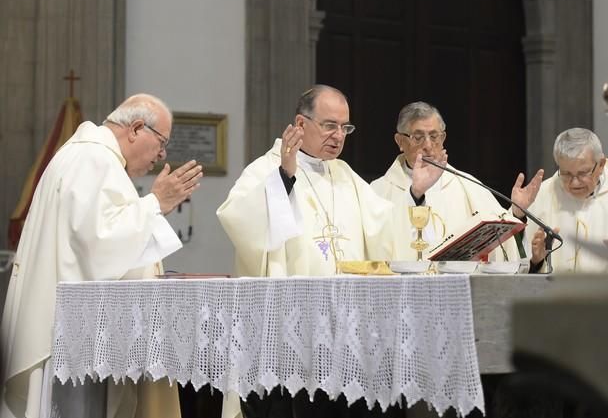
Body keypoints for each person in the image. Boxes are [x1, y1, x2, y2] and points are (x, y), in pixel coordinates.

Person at [217, 85, 442, 418]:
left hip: (349, 332)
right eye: (329, 125)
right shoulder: (267, 169)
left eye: (345, 127)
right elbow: (237, 219)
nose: (339, 136)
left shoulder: (345, 175)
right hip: (294, 334)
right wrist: (285, 177)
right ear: (300, 123)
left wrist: (414, 195)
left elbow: (386, 233)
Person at [0, 94, 203, 418]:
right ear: (136, 128)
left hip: (73, 335)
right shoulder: (94, 160)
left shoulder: (88, 157)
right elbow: (97, 245)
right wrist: (155, 203)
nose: (162, 154)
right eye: (162, 142)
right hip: (73, 344)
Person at [371, 101, 544, 263]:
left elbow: (500, 244)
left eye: (434, 136)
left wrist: (516, 214)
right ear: (400, 141)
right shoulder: (377, 192)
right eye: (418, 137)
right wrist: (415, 195)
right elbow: (375, 248)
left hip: (458, 291)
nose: (428, 145)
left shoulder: (469, 187)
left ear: (443, 138)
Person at [528, 127, 608, 273]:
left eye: (582, 173)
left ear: (601, 164)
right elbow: (517, 259)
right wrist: (537, 260)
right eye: (566, 174)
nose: (574, 183)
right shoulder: (543, 194)